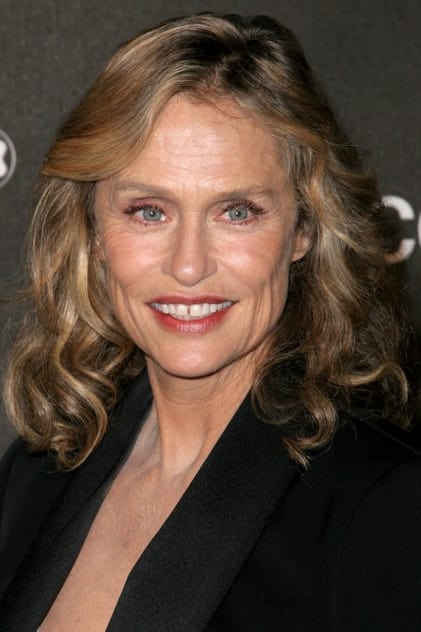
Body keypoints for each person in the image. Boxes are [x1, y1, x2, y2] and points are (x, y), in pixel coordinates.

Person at [0, 12, 420, 632]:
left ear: (303, 229)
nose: (189, 265)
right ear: (93, 230)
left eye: (237, 212)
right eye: (149, 211)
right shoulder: (36, 473)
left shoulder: (383, 508)